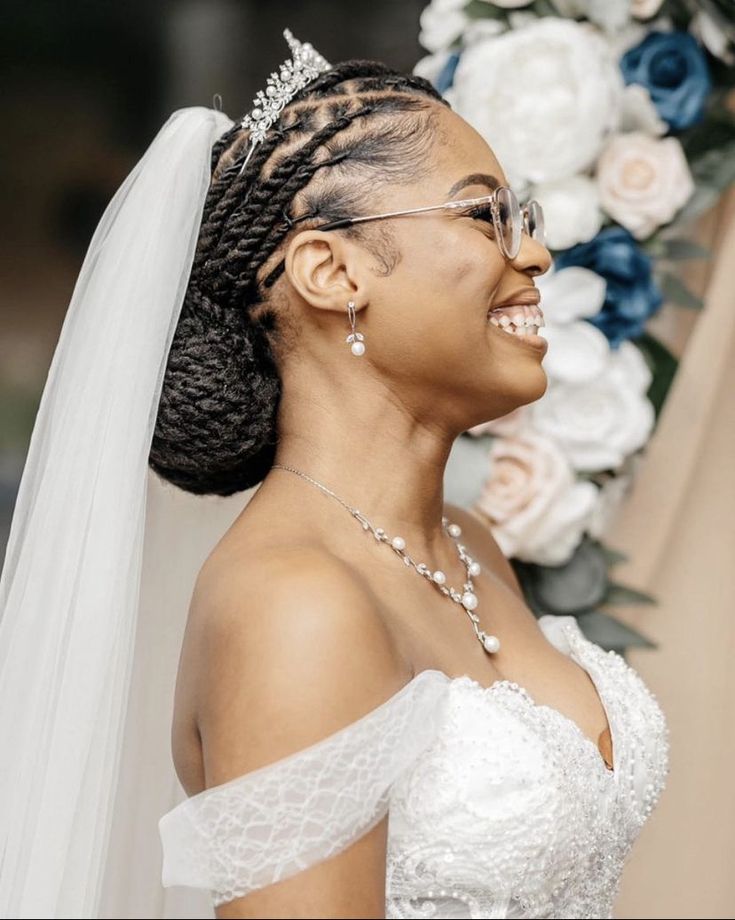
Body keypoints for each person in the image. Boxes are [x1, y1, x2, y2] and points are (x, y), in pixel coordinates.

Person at [0, 29, 669, 920]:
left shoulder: (468, 544)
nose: (535, 255)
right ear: (330, 270)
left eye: (527, 220)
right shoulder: (293, 603)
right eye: (484, 215)